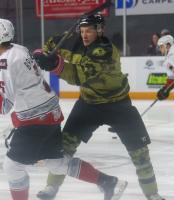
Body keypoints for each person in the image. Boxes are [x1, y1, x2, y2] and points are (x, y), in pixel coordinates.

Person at [33, 14, 165, 200]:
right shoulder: (75, 40)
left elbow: (79, 76)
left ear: (100, 31)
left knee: (140, 153)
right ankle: (51, 187)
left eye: (90, 31)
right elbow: (50, 44)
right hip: (88, 104)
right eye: (83, 31)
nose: (85, 35)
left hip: (119, 106)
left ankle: (152, 194)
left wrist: (54, 64)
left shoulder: (105, 50)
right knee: (63, 147)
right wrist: (41, 52)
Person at [0, 18, 127, 200]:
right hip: (49, 113)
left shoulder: (4, 62)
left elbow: (5, 106)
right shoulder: (18, 49)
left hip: (36, 119)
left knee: (12, 167)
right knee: (57, 163)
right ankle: (107, 181)